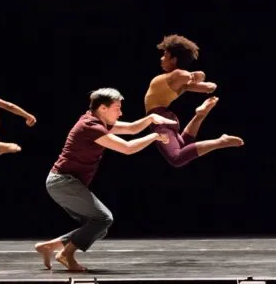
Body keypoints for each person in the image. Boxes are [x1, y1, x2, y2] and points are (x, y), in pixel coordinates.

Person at [34, 88, 175, 271]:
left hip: (64, 183)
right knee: (103, 219)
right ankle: (66, 254)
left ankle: (50, 246)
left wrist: (150, 118)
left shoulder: (96, 121)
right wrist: (155, 135)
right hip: (63, 182)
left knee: (99, 226)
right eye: (117, 108)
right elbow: (127, 148)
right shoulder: (91, 127)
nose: (121, 112)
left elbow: (131, 128)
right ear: (102, 108)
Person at [144, 34, 244, 167]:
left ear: (174, 59)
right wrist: (200, 76)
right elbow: (210, 87)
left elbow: (185, 75)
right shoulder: (179, 83)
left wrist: (196, 75)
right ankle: (199, 116)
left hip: (160, 119)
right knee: (184, 148)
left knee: (176, 158)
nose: (161, 59)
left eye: (165, 55)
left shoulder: (175, 75)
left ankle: (220, 141)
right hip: (168, 118)